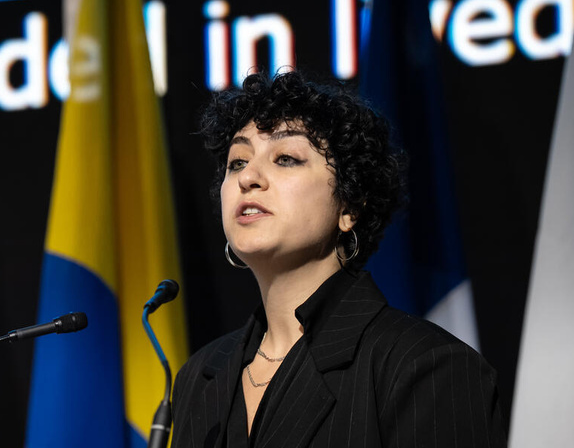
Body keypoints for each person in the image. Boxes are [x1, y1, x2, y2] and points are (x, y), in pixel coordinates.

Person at [170, 70, 506, 448]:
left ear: (349, 205)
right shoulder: (199, 376)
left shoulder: (427, 366)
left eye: (285, 158)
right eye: (237, 162)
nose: (249, 177)